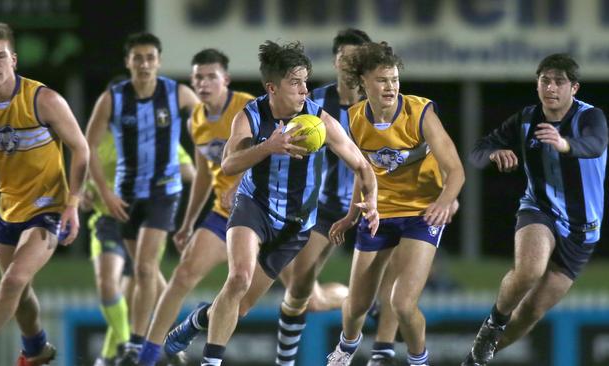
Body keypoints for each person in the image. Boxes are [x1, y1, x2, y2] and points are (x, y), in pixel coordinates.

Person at [164, 40, 379, 366]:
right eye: (295, 83)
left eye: (306, 81)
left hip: (295, 225)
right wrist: (270, 146)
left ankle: (196, 320)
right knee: (238, 278)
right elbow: (229, 164)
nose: (304, 90)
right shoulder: (250, 117)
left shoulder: (319, 121)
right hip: (254, 208)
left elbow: (362, 166)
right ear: (272, 88)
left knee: (241, 306)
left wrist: (371, 203)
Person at [462, 53, 608, 366]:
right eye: (545, 80)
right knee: (529, 269)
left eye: (559, 81)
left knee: (531, 312)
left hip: (583, 230)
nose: (551, 87)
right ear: (537, 84)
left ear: (574, 88)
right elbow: (476, 152)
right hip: (539, 209)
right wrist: (494, 153)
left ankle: (475, 360)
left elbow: (595, 144)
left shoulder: (590, 117)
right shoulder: (526, 119)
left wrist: (565, 144)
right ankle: (493, 324)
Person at [325, 41, 464, 366]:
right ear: (364, 83)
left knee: (402, 303)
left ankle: (418, 360)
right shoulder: (355, 118)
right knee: (357, 305)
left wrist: (446, 201)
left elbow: (455, 169)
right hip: (378, 214)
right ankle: (346, 348)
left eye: (394, 79)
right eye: (382, 80)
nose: (390, 86)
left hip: (421, 214)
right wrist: (349, 216)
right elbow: (363, 173)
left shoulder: (420, 111)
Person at [0, 22, 89, 365]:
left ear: (14, 60)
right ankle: (35, 349)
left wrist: (73, 205)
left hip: (49, 207)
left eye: (0, 56)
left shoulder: (43, 99)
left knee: (14, 280)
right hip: (8, 212)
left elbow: (81, 149)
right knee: (17, 293)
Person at [84, 31, 200, 365]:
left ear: (159, 61)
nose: (144, 64)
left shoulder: (176, 93)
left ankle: (137, 345)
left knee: (147, 268)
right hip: (125, 198)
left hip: (164, 193)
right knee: (140, 272)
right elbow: (85, 145)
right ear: (128, 62)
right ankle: (165, 335)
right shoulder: (113, 98)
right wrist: (103, 192)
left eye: (150, 57)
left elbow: (210, 118)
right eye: (138, 58)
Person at [136, 48, 254, 366]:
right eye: (197, 77)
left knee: (252, 302)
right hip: (222, 215)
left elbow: (269, 154)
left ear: (225, 80)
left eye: (210, 76)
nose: (203, 83)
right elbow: (203, 174)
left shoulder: (248, 107)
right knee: (183, 274)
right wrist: (188, 223)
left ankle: (196, 322)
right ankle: (147, 356)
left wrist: (243, 184)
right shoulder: (197, 119)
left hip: (260, 215)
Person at [274, 28, 372, 366]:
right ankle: (360, 302)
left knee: (398, 292)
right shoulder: (312, 102)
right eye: (344, 58)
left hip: (372, 206)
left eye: (356, 59)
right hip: (324, 208)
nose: (349, 65)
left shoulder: (380, 106)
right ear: (334, 61)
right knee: (303, 293)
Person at [82, 125, 195, 366]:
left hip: (146, 220)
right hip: (109, 219)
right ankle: (130, 346)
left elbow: (189, 172)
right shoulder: (98, 139)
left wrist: (159, 175)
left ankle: (120, 353)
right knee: (110, 285)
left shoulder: (156, 135)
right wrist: (86, 194)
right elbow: (87, 184)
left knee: (141, 280)